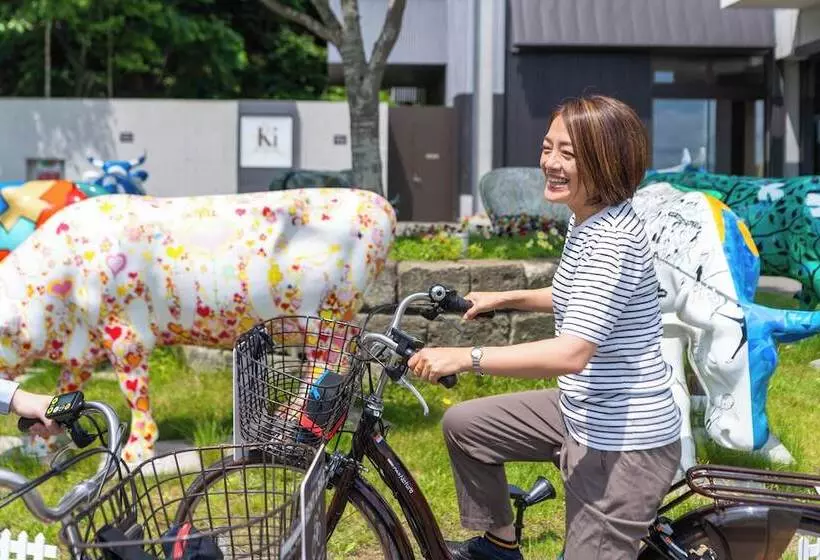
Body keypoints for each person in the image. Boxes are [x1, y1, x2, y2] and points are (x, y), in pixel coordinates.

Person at [407, 95, 682, 560]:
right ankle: (499, 545)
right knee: (466, 427)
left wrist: (465, 357)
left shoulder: (611, 242)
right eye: (547, 147)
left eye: (567, 153)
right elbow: (579, 296)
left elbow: (570, 353)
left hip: (622, 441)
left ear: (606, 160)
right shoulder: (588, 217)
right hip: (583, 409)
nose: (550, 163)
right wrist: (505, 298)